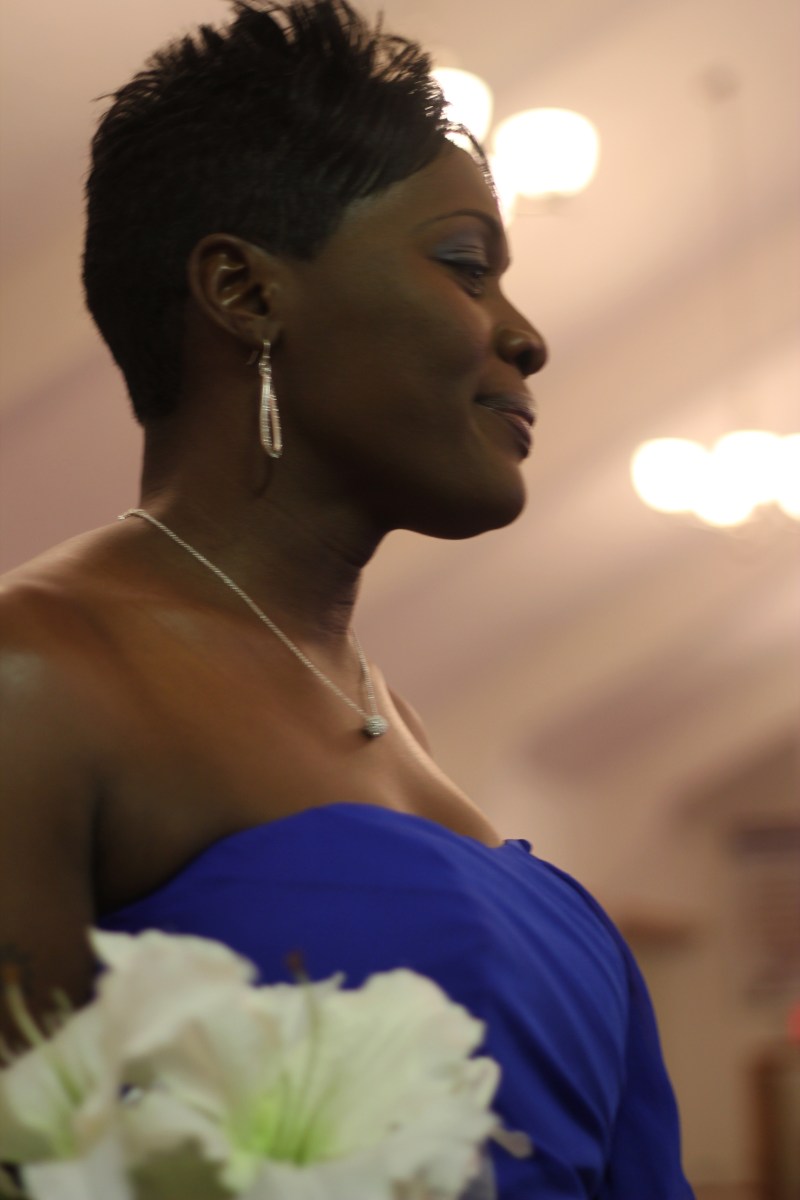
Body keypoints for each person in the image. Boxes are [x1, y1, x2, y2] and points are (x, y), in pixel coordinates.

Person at [0, 1, 694, 1194]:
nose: (525, 336)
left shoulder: (387, 714)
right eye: (466, 266)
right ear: (245, 291)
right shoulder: (37, 680)